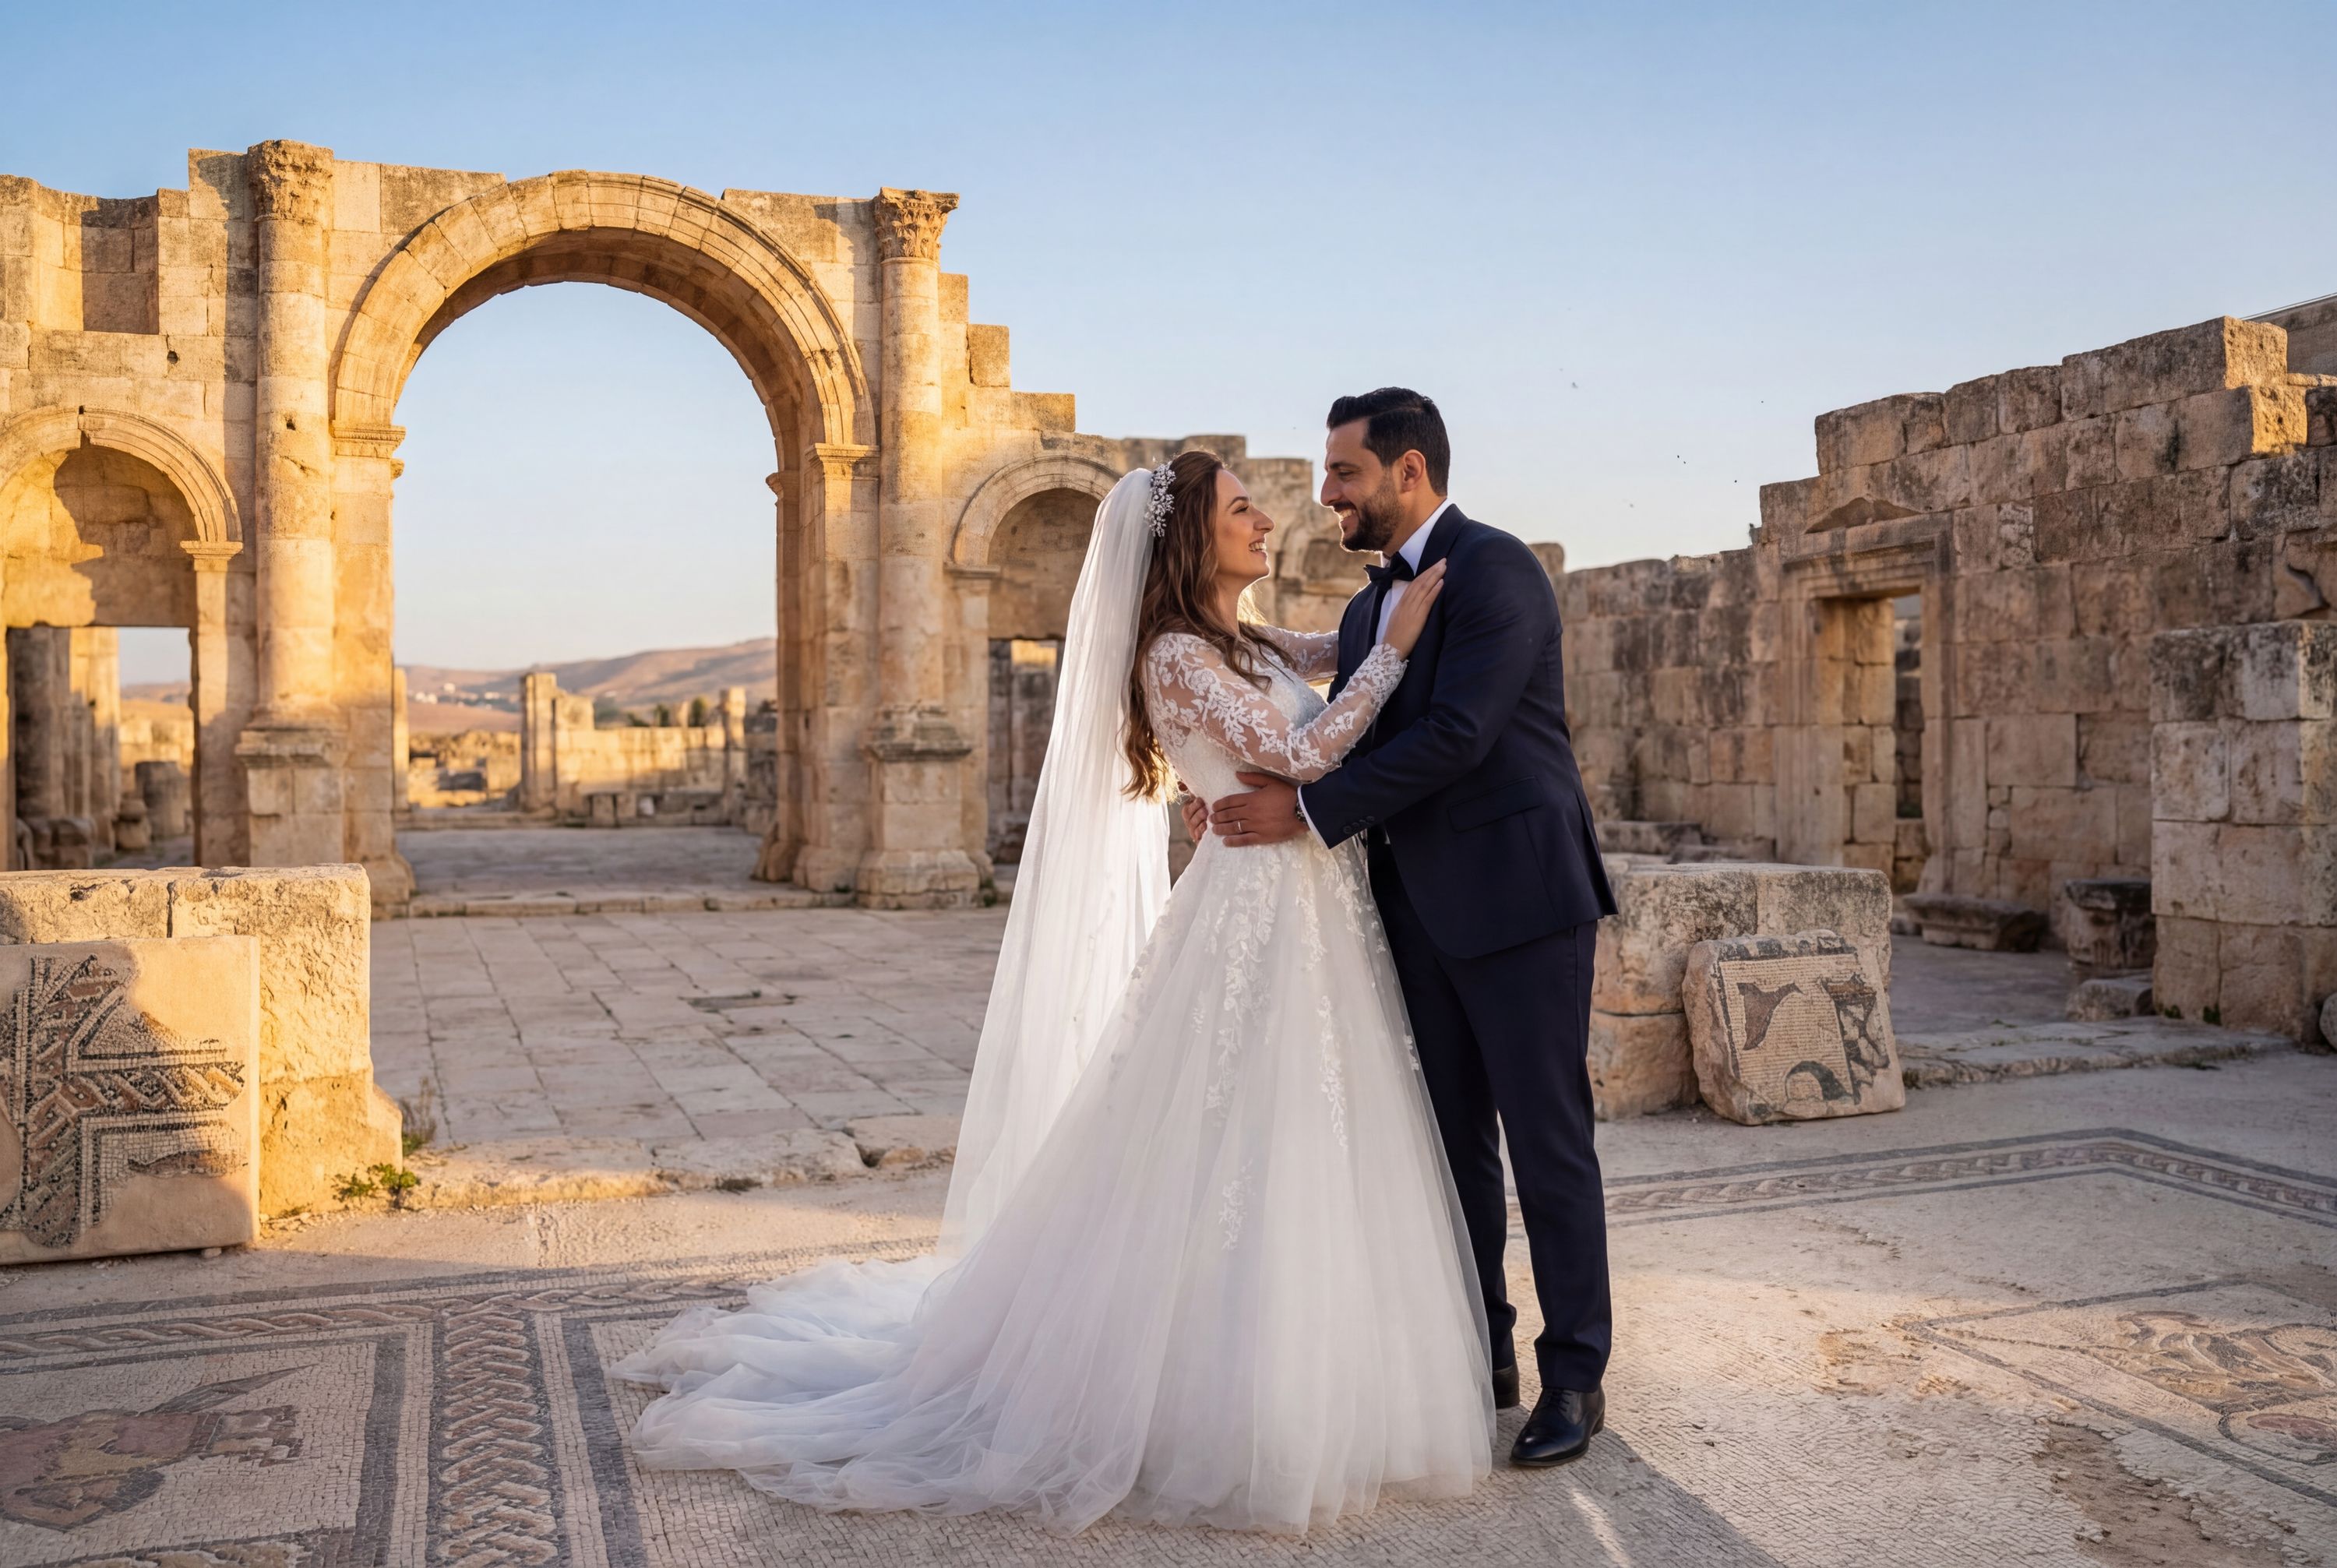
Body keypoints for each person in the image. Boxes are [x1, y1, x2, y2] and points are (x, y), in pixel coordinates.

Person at [618, 450, 1490, 1533]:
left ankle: (1320, 1370)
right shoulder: (1172, 653)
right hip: (1250, 916)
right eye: (1240, 509)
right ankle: (1206, 1397)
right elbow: (1306, 746)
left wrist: (1395, 599)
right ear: (1188, 540)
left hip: (1312, 911)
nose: (1265, 518)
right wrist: (1400, 648)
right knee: (1221, 1132)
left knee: (1306, 1131)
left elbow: (1325, 653)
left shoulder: (1238, 638)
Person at [1193, 389, 1619, 1468]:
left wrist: (1304, 812)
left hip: (1523, 903)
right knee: (1449, 1148)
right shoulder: (1364, 605)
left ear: (1409, 473)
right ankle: (1482, 1349)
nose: (1327, 494)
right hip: (1412, 913)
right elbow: (1308, 709)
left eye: (1343, 474)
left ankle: (1576, 1373)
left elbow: (1461, 735)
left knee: (1548, 1142)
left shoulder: (1499, 571)